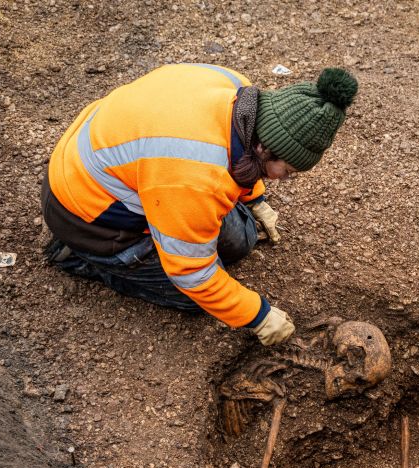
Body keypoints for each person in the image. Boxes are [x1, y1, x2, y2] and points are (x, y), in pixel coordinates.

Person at [42, 64, 358, 345]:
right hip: (88, 215)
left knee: (241, 241)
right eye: (287, 171)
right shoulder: (194, 176)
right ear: (264, 147)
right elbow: (191, 273)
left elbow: (236, 153)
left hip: (123, 166)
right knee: (196, 297)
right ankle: (81, 258)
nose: (286, 180)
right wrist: (256, 314)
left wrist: (256, 198)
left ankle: (165, 229)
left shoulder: (237, 90)